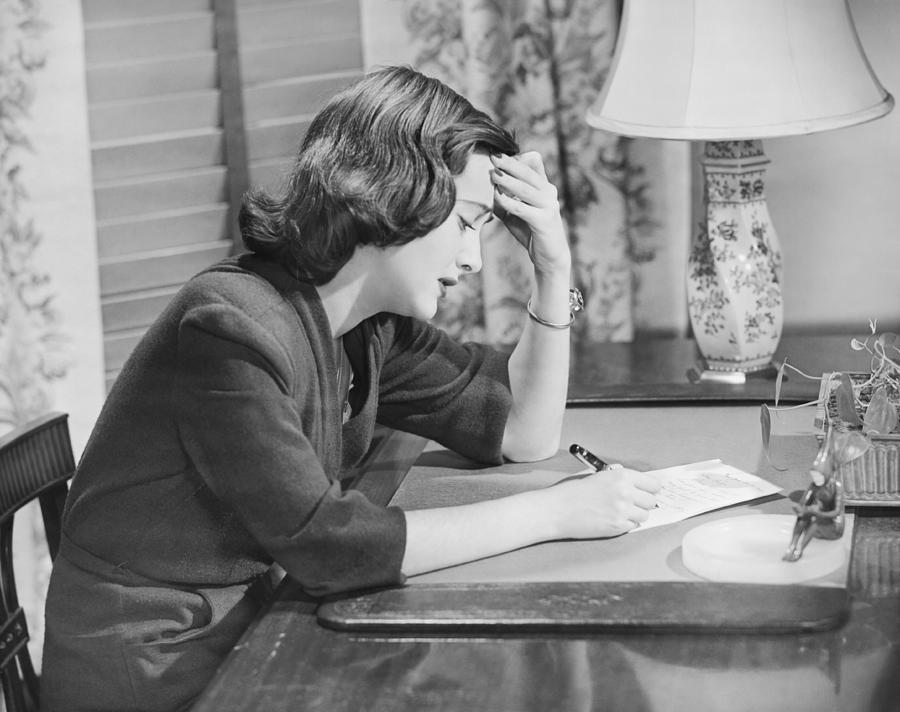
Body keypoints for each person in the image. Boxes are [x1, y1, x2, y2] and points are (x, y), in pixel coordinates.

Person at [40, 65, 660, 712]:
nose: (474, 260)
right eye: (469, 223)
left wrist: (553, 266)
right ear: (402, 191)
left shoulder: (362, 325)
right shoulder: (229, 326)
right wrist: (555, 512)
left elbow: (523, 434)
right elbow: (330, 548)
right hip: (153, 668)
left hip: (251, 629)